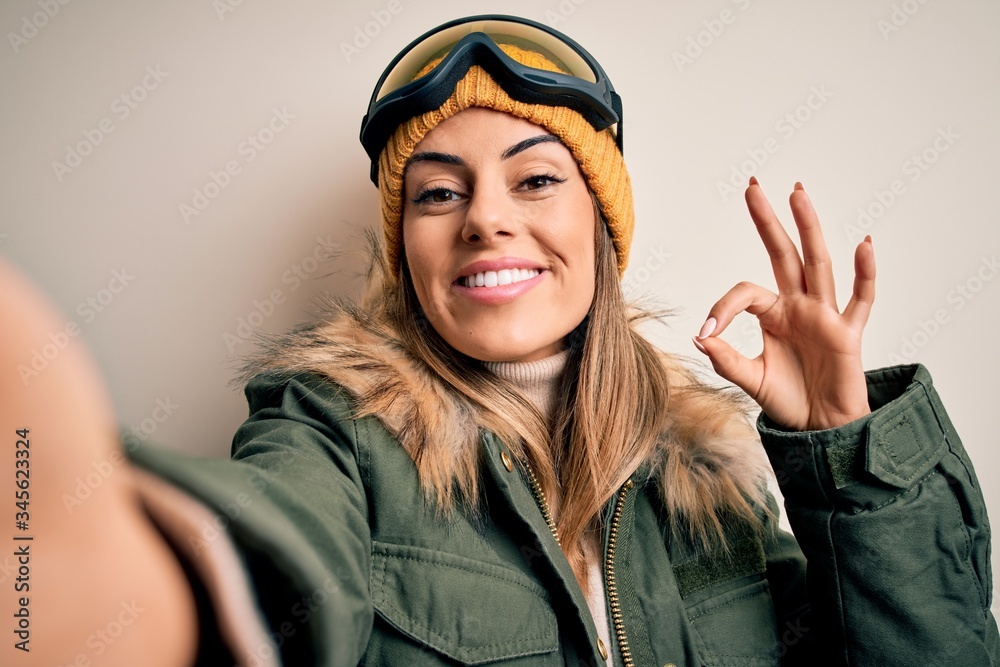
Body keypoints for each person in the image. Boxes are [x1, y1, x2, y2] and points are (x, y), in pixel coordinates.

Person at [2, 14, 996, 667]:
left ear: (600, 233)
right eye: (438, 192)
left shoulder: (712, 478)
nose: (483, 218)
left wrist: (841, 456)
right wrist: (113, 581)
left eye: (534, 179)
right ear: (407, 250)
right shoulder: (330, 431)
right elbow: (274, 558)